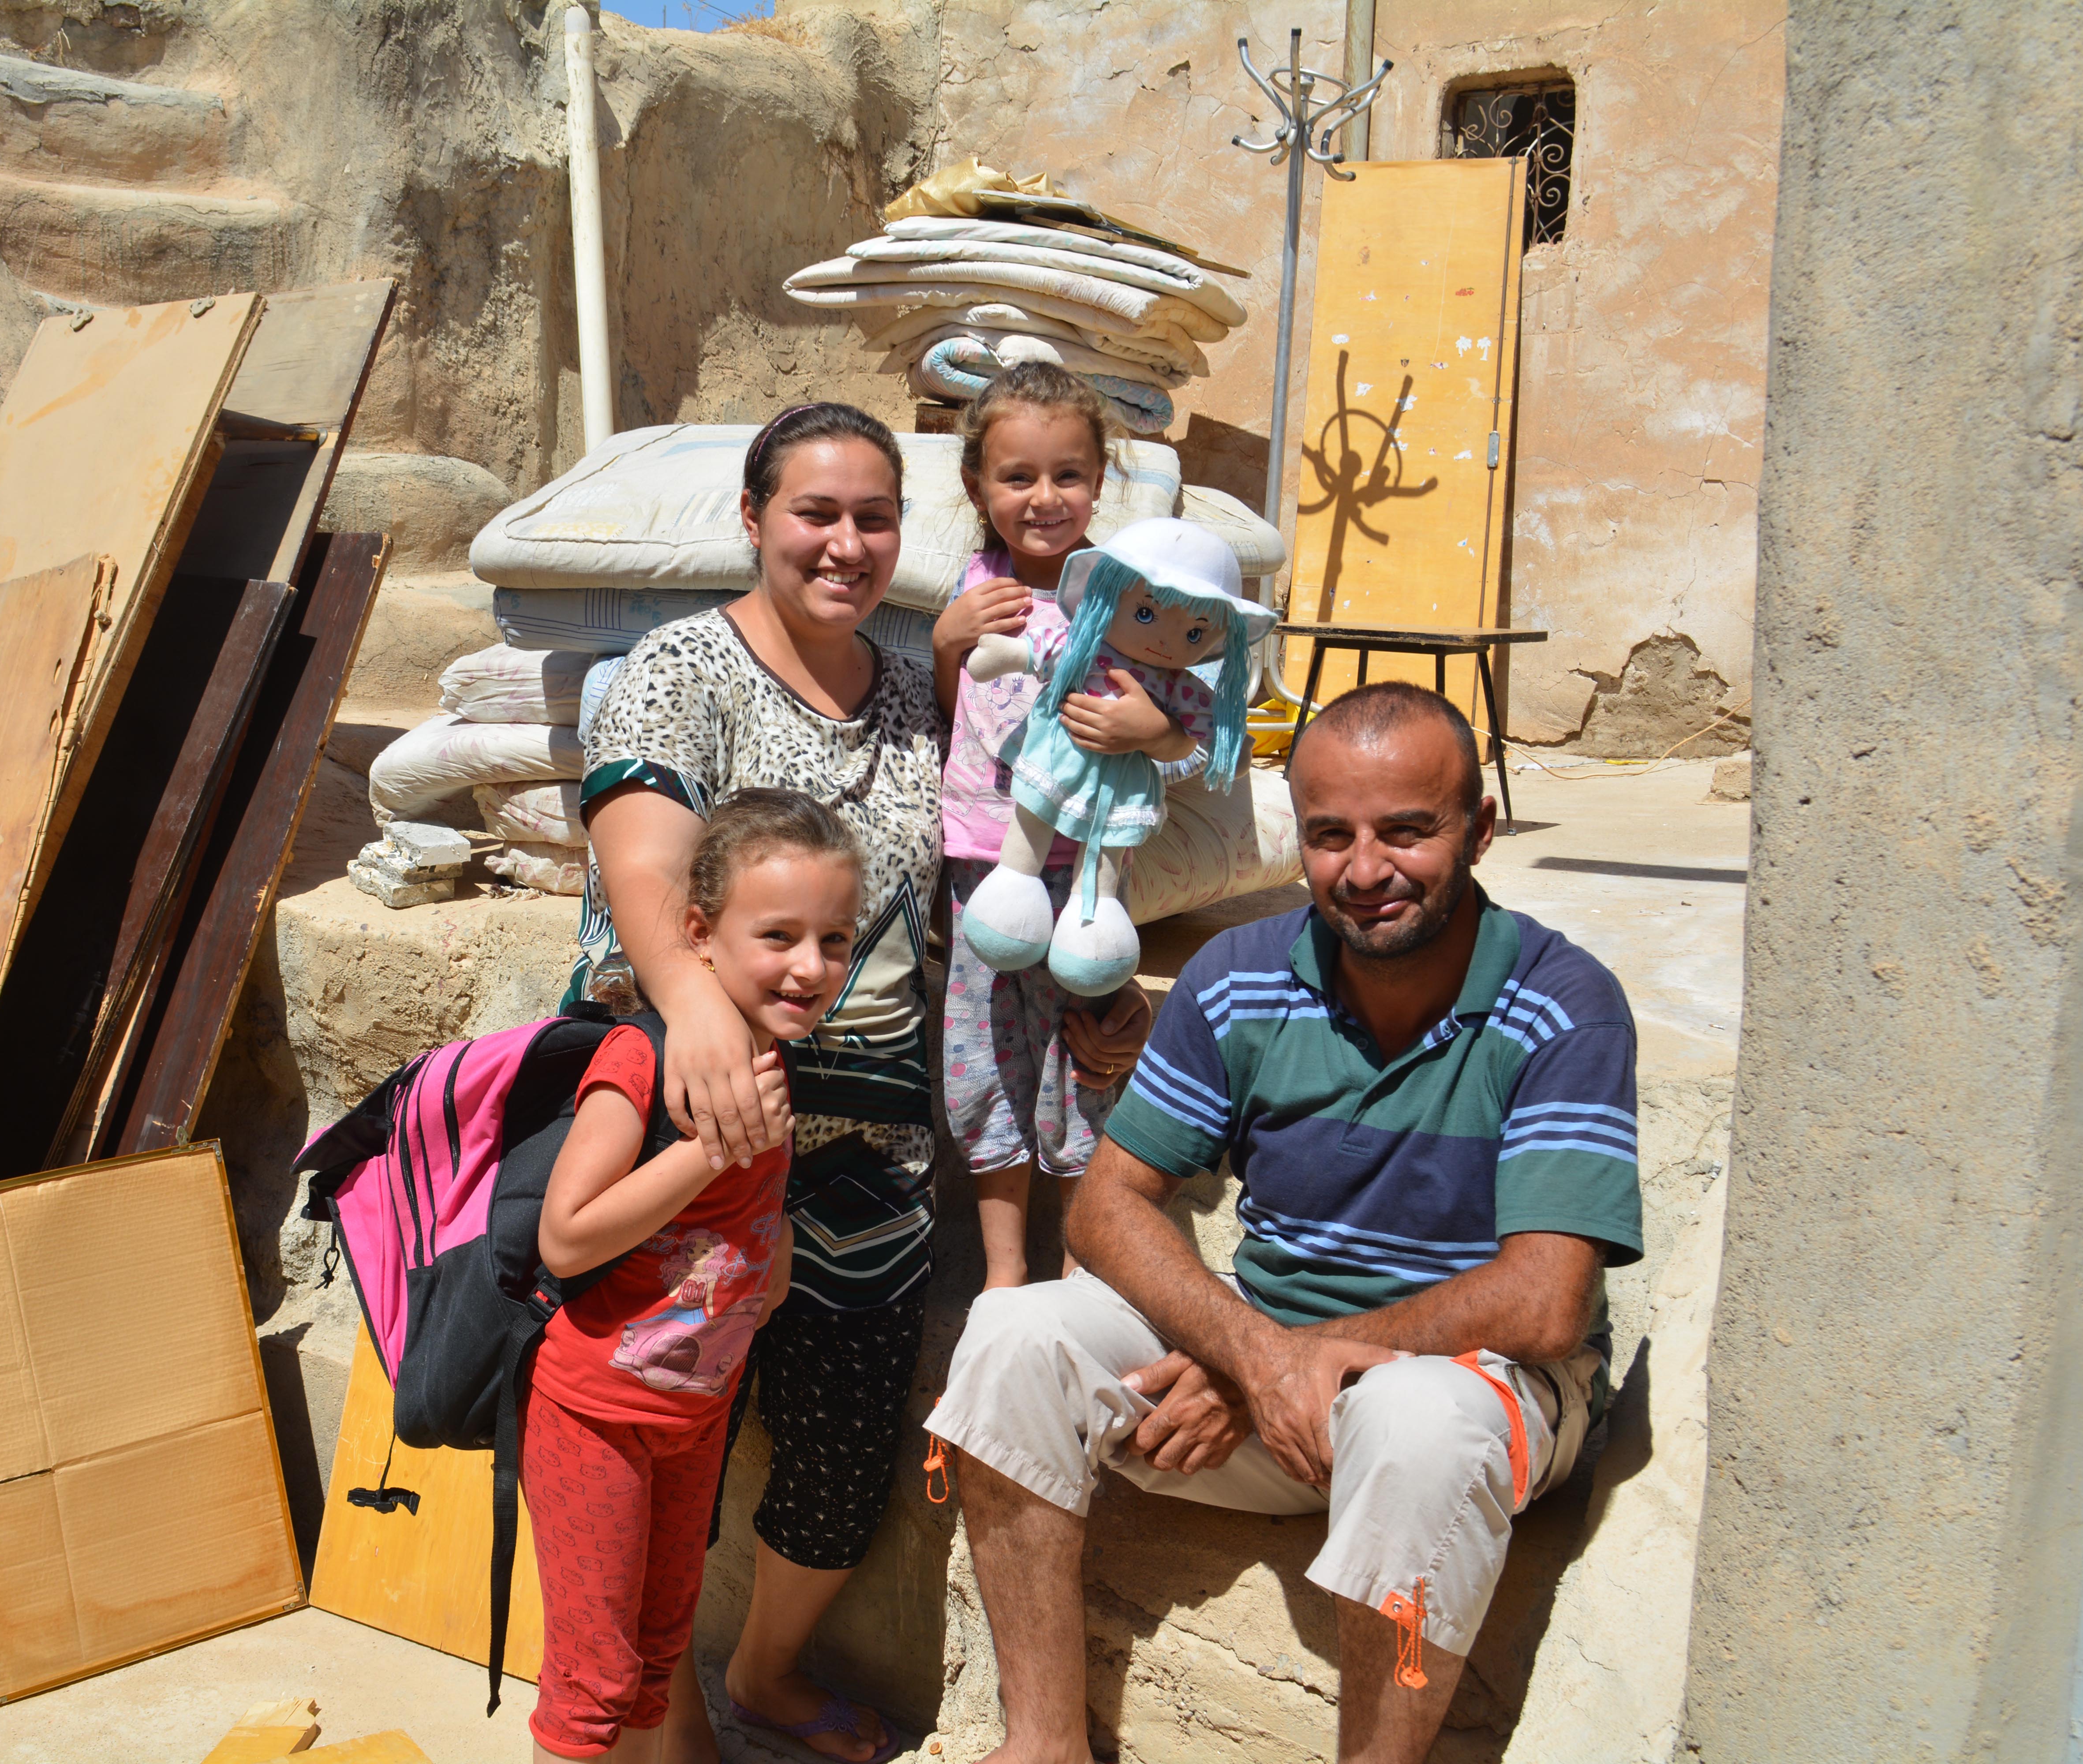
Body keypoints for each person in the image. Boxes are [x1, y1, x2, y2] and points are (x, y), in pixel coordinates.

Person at [576, 401, 1153, 1764]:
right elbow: (641, 856)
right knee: (674, 1436)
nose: (845, 544)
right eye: (815, 514)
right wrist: (694, 1013)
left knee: (841, 1460)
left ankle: (769, 1674)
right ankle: (669, 1718)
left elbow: (1002, 849)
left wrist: (1095, 987)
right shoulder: (681, 667)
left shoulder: (910, 688)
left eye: (873, 518)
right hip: (704, 1133)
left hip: (872, 1162)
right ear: (753, 518)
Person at [924, 682, 1645, 1764]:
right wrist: (1252, 1354)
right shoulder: (1241, 976)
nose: (1365, 869)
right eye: (1330, 835)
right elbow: (1111, 1203)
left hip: (1473, 1390)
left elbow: (1546, 1302)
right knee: (1013, 1332)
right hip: (1266, 1377)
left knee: (1413, 1420)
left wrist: (1276, 1363)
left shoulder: (1563, 1004)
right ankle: (1043, 1744)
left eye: (1408, 830)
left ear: (1481, 828)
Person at [525, 790, 861, 1761]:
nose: (810, 967)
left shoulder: (772, 1060)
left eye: (835, 940)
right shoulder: (644, 1057)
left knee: (656, 1659)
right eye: (779, 935)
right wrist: (711, 1153)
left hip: (692, 1419)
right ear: (701, 935)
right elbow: (567, 1237)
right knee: (592, 1682)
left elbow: (742, 1225)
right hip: (597, 1416)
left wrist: (773, 1247)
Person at [935, 364, 1168, 1289]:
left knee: (1083, 1055)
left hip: (1088, 860)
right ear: (977, 487)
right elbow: (956, 709)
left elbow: (1178, 713)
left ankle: (1081, 1263)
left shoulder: (1129, 592)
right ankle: (1003, 1272)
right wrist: (949, 637)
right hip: (985, 864)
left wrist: (1147, 726)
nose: (1044, 497)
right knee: (986, 1053)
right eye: (1018, 476)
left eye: (1068, 474)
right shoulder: (976, 586)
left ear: (1100, 480)